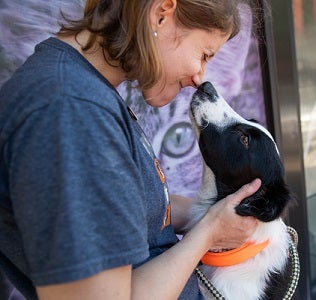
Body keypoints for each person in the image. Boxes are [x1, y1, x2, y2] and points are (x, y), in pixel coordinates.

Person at [0, 0, 261, 299]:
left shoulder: (84, 95)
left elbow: (128, 209)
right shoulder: (72, 109)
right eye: (204, 54)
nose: (199, 77)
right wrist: (209, 232)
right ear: (161, 14)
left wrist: (212, 215)